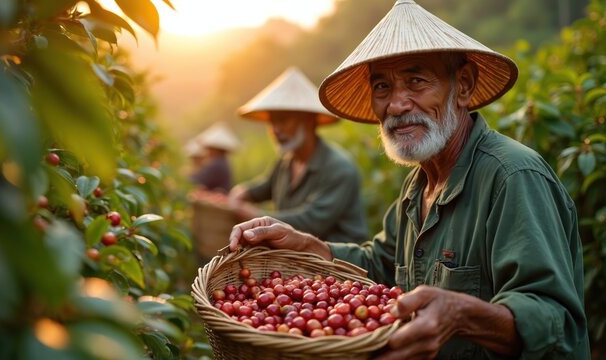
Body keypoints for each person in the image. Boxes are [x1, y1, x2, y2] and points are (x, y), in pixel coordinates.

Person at [228, 1, 589, 359]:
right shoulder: (419, 186)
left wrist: (461, 316)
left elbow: (555, 320)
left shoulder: (513, 177)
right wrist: (308, 245)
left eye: (416, 81)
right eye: (382, 87)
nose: (397, 105)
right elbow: (383, 263)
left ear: (462, 86)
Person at [228, 66, 368, 244]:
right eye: (272, 122)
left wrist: (249, 213)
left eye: (283, 120)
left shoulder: (339, 168)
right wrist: (239, 193)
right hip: (296, 263)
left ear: (309, 121)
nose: (275, 130)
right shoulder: (287, 161)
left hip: (337, 265)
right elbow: (263, 187)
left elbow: (309, 223)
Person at [189, 122, 240, 193]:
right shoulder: (223, 162)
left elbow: (197, 180)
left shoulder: (217, 164)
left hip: (219, 198)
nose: (207, 151)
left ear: (216, 149)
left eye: (209, 148)